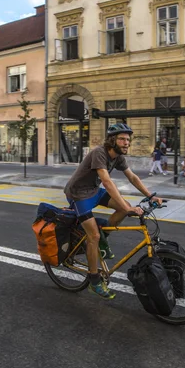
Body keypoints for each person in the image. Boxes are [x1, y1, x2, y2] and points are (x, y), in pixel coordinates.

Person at [64, 123, 162, 300]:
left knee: (123, 209)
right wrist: (128, 207)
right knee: (93, 236)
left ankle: (102, 239)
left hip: (93, 191)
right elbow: (108, 183)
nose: (127, 143)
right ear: (112, 140)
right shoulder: (99, 153)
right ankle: (94, 281)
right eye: (122, 139)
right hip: (78, 194)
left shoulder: (118, 157)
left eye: (128, 140)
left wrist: (150, 196)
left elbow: (132, 177)